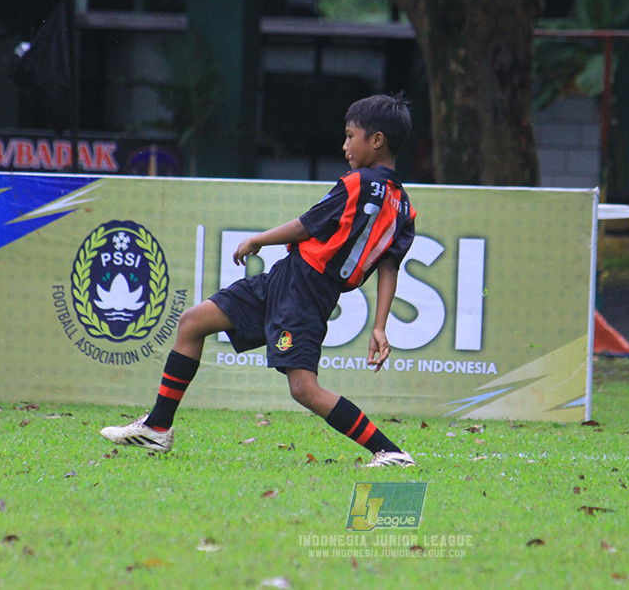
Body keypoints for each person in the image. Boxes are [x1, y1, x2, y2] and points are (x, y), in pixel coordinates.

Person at [100, 94, 417, 467]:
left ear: (376, 140)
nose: (345, 145)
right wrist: (379, 326)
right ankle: (157, 428)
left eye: (351, 136)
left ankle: (390, 451)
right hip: (291, 280)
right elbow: (389, 267)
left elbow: (305, 226)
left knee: (303, 388)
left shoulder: (358, 182)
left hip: (305, 290)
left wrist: (258, 239)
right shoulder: (404, 207)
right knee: (193, 322)